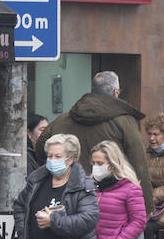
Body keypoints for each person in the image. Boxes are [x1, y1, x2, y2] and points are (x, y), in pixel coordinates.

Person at [35, 71, 154, 215]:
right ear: (115, 93)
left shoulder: (63, 120)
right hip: (111, 203)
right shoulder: (124, 122)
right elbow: (138, 163)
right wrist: (147, 207)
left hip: (68, 198)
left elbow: (41, 149)